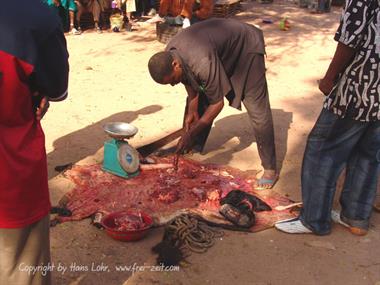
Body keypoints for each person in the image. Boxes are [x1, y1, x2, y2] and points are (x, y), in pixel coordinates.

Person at [275, 0, 380, 236]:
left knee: (322, 149)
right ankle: (355, 217)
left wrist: (329, 77)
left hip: (359, 86)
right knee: (368, 153)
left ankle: (314, 219)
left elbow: (350, 37)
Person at [148, 18, 278, 190]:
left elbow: (217, 103)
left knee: (257, 109)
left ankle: (270, 169)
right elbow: (186, 79)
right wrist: (192, 109)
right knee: (199, 97)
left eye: (172, 80)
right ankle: (194, 146)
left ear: (175, 64)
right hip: (218, 51)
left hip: (246, 49)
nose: (173, 84)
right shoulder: (170, 52)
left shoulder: (201, 61)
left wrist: (190, 132)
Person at [0, 0, 69, 284]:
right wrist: (38, 91)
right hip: (11, 173)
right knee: (21, 266)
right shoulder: (37, 16)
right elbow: (57, 87)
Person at [147, 0, 213, 28]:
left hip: (195, 17)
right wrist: (161, 14)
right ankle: (161, 17)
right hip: (178, 17)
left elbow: (207, 10)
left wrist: (194, 15)